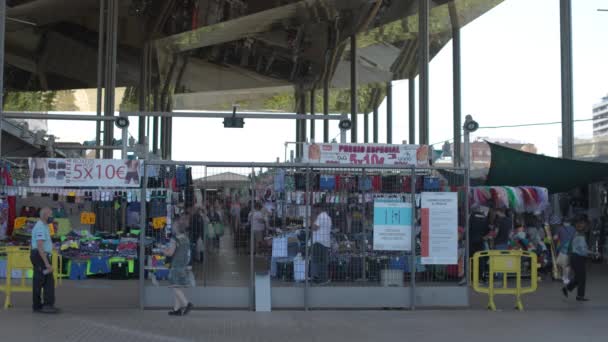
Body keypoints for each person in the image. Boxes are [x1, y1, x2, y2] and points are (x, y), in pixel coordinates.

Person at [30, 207, 58, 313]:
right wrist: (47, 264)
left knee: (48, 281)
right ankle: (38, 306)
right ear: (45, 215)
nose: (52, 217)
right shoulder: (40, 227)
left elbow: (45, 243)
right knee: (40, 281)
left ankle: (46, 305)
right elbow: (40, 246)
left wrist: (53, 247)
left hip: (41, 255)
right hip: (40, 256)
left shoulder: (45, 226)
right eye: (51, 214)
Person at [163, 220, 194, 316]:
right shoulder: (186, 239)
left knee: (175, 287)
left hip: (176, 265)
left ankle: (186, 304)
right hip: (184, 265)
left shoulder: (174, 239)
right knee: (178, 286)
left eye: (173, 226)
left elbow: (170, 253)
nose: (172, 227)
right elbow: (188, 253)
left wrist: (163, 250)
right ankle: (177, 309)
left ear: (176, 228)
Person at [562, 216, 593, 302]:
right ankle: (580, 296)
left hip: (574, 258)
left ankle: (567, 288)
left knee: (578, 277)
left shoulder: (575, 234)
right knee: (582, 278)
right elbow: (583, 250)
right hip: (578, 258)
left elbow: (572, 247)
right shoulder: (581, 236)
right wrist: (593, 253)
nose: (587, 228)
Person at [311, 204, 332, 284]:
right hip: (325, 242)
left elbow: (314, 228)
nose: (314, 211)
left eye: (315, 209)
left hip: (319, 242)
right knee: (323, 261)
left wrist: (313, 218)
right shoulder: (328, 218)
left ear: (319, 208)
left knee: (317, 261)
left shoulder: (320, 217)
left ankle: (318, 278)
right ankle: (323, 278)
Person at [554, 217, 576, 285]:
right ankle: (565, 277)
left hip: (562, 248)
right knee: (567, 264)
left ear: (563, 222)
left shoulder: (560, 228)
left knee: (562, 263)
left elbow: (555, 237)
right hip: (570, 248)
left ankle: (564, 277)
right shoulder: (573, 228)